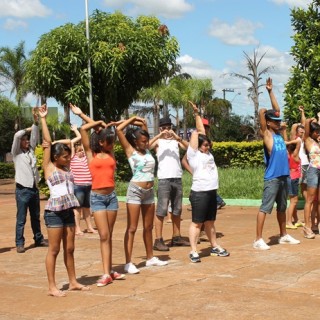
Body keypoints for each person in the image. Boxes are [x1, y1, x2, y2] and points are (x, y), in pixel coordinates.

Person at [70, 104, 125, 286]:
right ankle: (105, 273)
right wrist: (87, 117)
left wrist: (103, 126)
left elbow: (103, 134)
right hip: (98, 198)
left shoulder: (111, 154)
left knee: (108, 235)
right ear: (101, 142)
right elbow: (84, 129)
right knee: (103, 235)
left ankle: (109, 271)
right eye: (110, 141)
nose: (113, 144)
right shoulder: (90, 154)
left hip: (112, 197)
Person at [39, 105, 90, 297]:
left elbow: (71, 140)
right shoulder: (49, 168)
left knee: (70, 248)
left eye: (68, 155)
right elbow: (47, 141)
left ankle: (73, 281)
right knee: (54, 250)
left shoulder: (67, 169)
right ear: (55, 157)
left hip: (68, 210)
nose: (68, 158)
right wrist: (43, 119)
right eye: (65, 156)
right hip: (54, 213)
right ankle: (52, 287)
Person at [116, 116, 168, 274]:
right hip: (135, 192)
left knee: (148, 227)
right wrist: (132, 119)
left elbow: (144, 126)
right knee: (132, 228)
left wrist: (141, 123)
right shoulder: (130, 151)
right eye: (143, 141)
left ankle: (150, 257)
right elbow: (118, 130)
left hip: (149, 192)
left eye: (147, 141)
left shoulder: (147, 151)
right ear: (135, 141)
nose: (146, 144)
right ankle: (128, 262)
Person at [253, 78, 300, 250]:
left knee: (282, 207)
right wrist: (265, 113)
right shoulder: (267, 135)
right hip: (272, 178)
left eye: (279, 121)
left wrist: (270, 91)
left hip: (284, 176)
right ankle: (258, 239)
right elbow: (262, 113)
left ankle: (283, 235)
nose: (279, 123)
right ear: (269, 122)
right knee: (265, 208)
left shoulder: (279, 136)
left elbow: (277, 110)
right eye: (276, 121)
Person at [186, 101, 229, 262]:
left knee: (210, 222)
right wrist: (195, 115)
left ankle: (215, 246)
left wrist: (198, 113)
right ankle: (193, 250)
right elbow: (199, 131)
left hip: (211, 192)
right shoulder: (193, 154)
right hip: (199, 193)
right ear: (198, 145)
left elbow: (203, 131)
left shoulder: (207, 154)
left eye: (208, 145)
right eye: (205, 145)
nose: (207, 147)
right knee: (197, 223)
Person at [150, 117, 189, 251]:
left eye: (168, 127)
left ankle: (176, 237)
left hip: (177, 178)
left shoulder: (175, 141)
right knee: (161, 210)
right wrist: (159, 135)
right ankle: (158, 239)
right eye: (164, 128)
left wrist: (176, 137)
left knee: (177, 210)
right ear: (160, 128)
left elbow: (188, 148)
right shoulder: (158, 142)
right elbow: (147, 146)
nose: (167, 130)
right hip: (164, 179)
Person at [11, 107, 47, 253]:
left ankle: (38, 239)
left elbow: (35, 133)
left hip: (33, 189)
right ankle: (20, 243)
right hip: (22, 190)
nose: (27, 141)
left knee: (35, 217)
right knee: (21, 219)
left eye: (27, 140)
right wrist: (26, 130)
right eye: (24, 140)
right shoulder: (16, 153)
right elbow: (17, 135)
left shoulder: (31, 151)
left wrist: (35, 120)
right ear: (20, 142)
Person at [69, 125, 97, 235]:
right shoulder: (72, 158)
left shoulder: (86, 157)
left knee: (87, 208)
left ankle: (89, 227)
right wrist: (76, 131)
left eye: (82, 150)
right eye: (79, 150)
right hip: (78, 186)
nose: (81, 152)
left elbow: (85, 143)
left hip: (88, 186)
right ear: (75, 152)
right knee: (77, 209)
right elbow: (73, 142)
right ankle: (77, 229)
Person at [302, 117, 320, 239]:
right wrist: (309, 121)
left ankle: (316, 225)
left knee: (318, 201)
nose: (318, 133)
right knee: (310, 200)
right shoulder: (308, 140)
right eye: (316, 131)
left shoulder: (318, 142)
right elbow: (306, 128)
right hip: (313, 171)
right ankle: (307, 227)